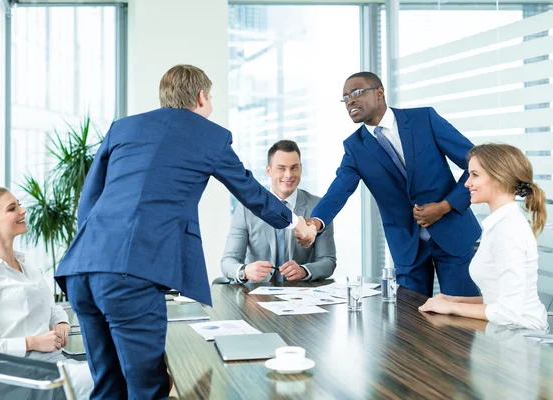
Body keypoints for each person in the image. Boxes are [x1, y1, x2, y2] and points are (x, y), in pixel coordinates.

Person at [54, 64, 316, 399]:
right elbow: (252, 193)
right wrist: (298, 222)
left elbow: (88, 201)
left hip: (81, 269)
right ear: (202, 96)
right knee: (148, 389)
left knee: (108, 386)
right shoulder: (210, 135)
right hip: (130, 275)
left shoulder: (123, 128)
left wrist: (97, 252)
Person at [303, 71, 481, 297]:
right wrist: (316, 223)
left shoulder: (424, 120)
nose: (351, 101)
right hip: (407, 246)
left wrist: (445, 205)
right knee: (410, 322)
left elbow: (476, 164)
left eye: (357, 92)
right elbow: (338, 191)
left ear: (379, 92)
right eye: (346, 97)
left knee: (460, 315)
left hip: (453, 232)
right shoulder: (354, 147)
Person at [0, 187, 93, 399]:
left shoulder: (27, 265)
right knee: (116, 377)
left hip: (53, 365)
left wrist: (61, 323)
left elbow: (51, 307)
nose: (23, 211)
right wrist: (32, 342)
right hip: (20, 376)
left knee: (126, 370)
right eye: (12, 208)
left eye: (18, 204)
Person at [419, 144, 548, 331]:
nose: (467, 183)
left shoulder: (508, 230)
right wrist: (453, 299)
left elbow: (508, 312)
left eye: (475, 175)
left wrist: (451, 307)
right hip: (505, 331)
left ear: (499, 177)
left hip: (522, 336)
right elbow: (497, 298)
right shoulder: (498, 224)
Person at [222, 140, 336, 283]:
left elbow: (328, 260)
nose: (288, 175)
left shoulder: (318, 207)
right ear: (269, 171)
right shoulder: (246, 209)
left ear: (301, 168)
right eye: (281, 168)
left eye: (294, 168)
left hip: (301, 295)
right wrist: (244, 271)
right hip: (255, 294)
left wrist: (304, 271)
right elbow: (228, 261)